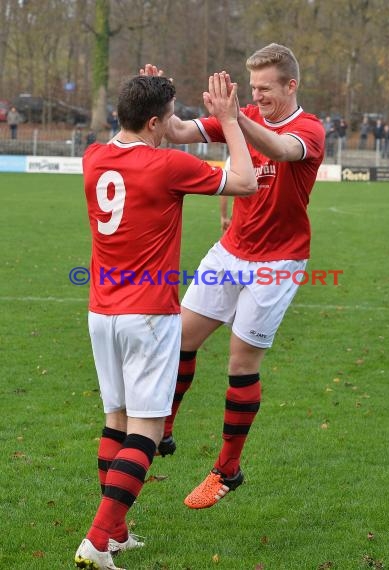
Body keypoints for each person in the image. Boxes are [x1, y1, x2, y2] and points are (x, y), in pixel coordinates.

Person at [74, 74, 257, 569]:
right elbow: (245, 181)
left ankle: (114, 533)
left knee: (115, 422)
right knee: (147, 431)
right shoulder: (167, 165)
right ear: (155, 122)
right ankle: (95, 539)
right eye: (168, 116)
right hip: (148, 315)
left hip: (101, 312)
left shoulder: (93, 157)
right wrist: (228, 121)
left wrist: (148, 92)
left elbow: (142, 128)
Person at [143, 42, 325, 509]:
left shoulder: (308, 129)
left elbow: (282, 150)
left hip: (278, 262)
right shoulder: (241, 115)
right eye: (254, 88)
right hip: (231, 252)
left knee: (240, 364)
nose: (258, 96)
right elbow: (179, 131)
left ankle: (227, 468)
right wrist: (157, 99)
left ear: (291, 85)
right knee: (178, 338)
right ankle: (164, 427)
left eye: (267, 88)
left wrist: (235, 120)